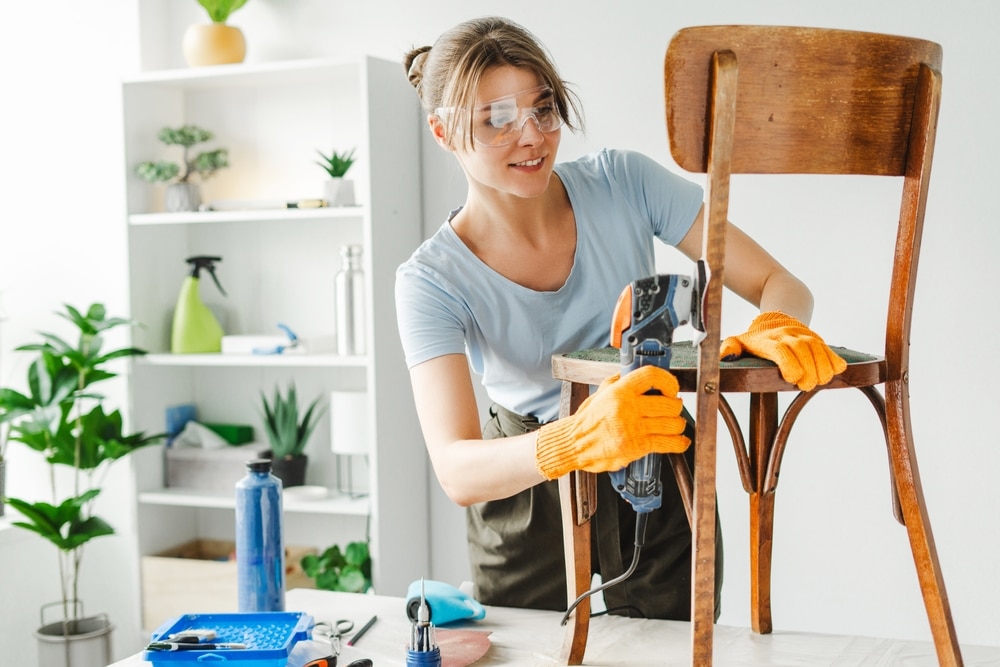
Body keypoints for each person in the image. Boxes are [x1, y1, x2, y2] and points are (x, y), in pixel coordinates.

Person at [395, 16, 846, 620]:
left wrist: (779, 324)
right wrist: (578, 440)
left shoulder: (623, 182)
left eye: (544, 108)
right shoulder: (430, 280)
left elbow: (778, 283)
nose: (531, 136)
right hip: (527, 488)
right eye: (496, 119)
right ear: (443, 132)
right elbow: (457, 470)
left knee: (672, 653)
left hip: (656, 458)